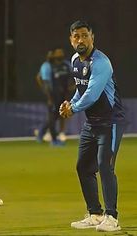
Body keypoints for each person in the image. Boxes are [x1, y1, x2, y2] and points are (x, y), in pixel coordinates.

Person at [59, 20, 126, 232]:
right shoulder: (74, 60)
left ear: (92, 37)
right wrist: (70, 102)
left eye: (84, 35)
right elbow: (81, 90)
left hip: (111, 121)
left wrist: (74, 109)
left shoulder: (101, 62)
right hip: (92, 123)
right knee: (83, 167)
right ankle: (95, 214)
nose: (81, 39)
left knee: (104, 166)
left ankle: (112, 218)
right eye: (76, 36)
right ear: (71, 40)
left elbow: (93, 94)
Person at [36, 48, 72, 146]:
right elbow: (44, 81)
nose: (60, 54)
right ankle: (54, 140)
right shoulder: (47, 66)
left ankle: (42, 133)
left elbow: (73, 76)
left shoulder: (66, 65)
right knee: (52, 117)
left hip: (64, 95)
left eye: (61, 52)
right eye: (58, 52)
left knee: (56, 116)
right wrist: (49, 97)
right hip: (53, 95)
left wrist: (72, 87)